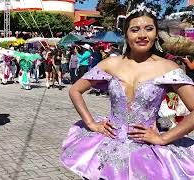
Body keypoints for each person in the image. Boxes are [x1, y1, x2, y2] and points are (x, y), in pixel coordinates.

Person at [60, 3, 194, 179]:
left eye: (149, 29)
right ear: (126, 34)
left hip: (148, 153)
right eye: (135, 29)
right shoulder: (111, 64)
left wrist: (163, 138)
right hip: (108, 145)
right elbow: (75, 90)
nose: (142, 35)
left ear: (156, 33)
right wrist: (92, 123)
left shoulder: (168, 68)